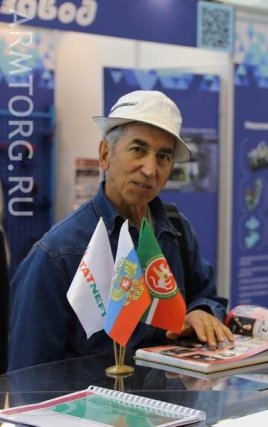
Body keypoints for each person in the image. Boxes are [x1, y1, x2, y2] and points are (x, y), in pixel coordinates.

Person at [8, 90, 234, 372]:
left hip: (171, 398)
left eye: (163, 157)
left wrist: (202, 311)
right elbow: (28, 379)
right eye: (138, 149)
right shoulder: (58, 253)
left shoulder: (176, 230)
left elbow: (207, 295)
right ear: (105, 154)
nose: (150, 169)